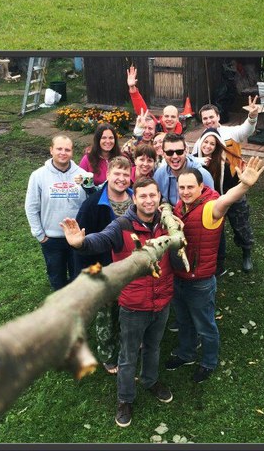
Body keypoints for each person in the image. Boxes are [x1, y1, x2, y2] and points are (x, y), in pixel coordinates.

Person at [61, 177, 176, 428]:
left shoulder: (167, 223)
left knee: (154, 347)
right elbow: (100, 240)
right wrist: (81, 243)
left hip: (162, 299)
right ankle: (125, 398)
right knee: (127, 356)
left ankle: (150, 380)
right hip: (134, 305)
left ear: (159, 198)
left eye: (152, 196)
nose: (148, 200)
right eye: (143, 196)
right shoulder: (121, 226)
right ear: (135, 199)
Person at [165, 158, 264, 382]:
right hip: (179, 277)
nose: (186, 191)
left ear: (201, 187)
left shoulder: (211, 207)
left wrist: (244, 186)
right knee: (183, 321)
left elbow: (226, 200)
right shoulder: (181, 206)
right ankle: (186, 353)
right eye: (182, 187)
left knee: (205, 326)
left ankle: (209, 362)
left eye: (190, 187)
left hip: (199, 282)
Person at [75, 156, 134, 374]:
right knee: (106, 314)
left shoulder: (135, 199)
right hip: (104, 270)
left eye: (125, 175)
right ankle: (109, 355)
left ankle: (131, 343)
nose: (121, 179)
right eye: (116, 174)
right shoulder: (92, 205)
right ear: (107, 175)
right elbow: (81, 243)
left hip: (130, 268)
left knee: (129, 310)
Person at [24, 134, 89, 291]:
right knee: (56, 276)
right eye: (59, 148)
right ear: (51, 150)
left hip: (76, 237)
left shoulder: (83, 175)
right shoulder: (38, 176)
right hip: (51, 238)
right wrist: (40, 234)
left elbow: (90, 203)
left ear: (72, 152)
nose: (63, 153)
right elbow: (31, 207)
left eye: (67, 149)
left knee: (78, 276)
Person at [197, 129, 255, 273]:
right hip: (212, 202)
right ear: (200, 143)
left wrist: (243, 179)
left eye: (212, 144)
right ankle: (218, 259)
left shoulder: (226, 163)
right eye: (206, 142)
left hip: (233, 197)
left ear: (217, 146)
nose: (208, 146)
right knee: (215, 230)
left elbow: (239, 183)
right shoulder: (193, 161)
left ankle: (246, 252)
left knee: (241, 226)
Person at [153, 132, 214, 205]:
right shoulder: (159, 175)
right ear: (163, 154)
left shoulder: (203, 175)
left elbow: (212, 204)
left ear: (186, 151)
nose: (175, 156)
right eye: (169, 152)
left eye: (179, 152)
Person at [126, 65, 183, 134]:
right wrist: (132, 87)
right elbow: (143, 111)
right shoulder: (156, 128)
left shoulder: (181, 137)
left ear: (177, 119)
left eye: (173, 117)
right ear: (162, 117)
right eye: (166, 116)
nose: (169, 119)